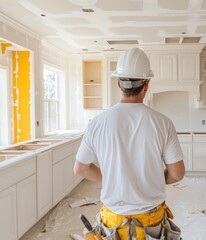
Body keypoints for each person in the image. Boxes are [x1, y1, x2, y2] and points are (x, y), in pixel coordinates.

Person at [74, 47, 185, 240]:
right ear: (147, 84)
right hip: (151, 223)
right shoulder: (163, 123)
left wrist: (113, 178)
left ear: (118, 83)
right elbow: (177, 173)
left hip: (113, 222)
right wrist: (150, 179)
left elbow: (81, 168)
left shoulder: (97, 123)